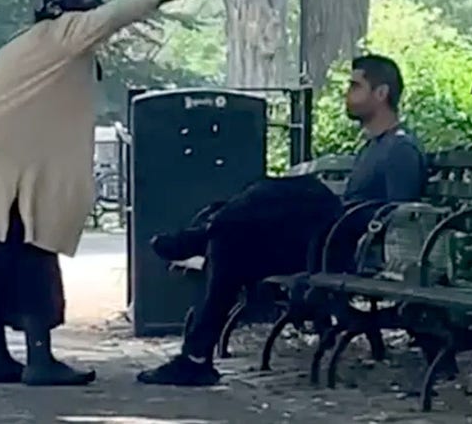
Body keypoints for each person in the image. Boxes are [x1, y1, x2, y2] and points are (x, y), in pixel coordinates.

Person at [0, 0, 201, 387]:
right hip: (4, 168)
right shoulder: (65, 35)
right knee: (30, 253)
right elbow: (108, 19)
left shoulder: (34, 43)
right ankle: (40, 360)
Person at [137, 53, 427, 386]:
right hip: (324, 240)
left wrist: (343, 215)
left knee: (300, 190)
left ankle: (198, 235)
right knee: (228, 244)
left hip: (347, 247)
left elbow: (400, 218)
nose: (347, 93)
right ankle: (195, 359)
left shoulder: (401, 150)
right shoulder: (373, 147)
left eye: (354, 86)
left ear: (381, 93)